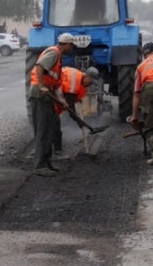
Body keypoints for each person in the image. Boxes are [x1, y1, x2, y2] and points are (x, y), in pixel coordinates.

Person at [27, 33, 75, 177]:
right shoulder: (53, 52)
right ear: (67, 44)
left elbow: (55, 83)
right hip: (40, 94)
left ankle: (47, 162)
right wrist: (41, 85)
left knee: (48, 129)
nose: (72, 49)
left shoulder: (58, 57)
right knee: (42, 131)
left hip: (48, 94)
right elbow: (40, 65)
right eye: (71, 46)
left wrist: (62, 100)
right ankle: (39, 165)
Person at [52, 66, 100, 159]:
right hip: (49, 98)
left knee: (52, 125)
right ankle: (55, 153)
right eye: (90, 82)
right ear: (86, 76)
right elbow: (70, 108)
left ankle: (49, 151)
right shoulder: (74, 83)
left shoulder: (76, 75)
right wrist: (80, 122)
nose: (90, 85)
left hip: (53, 96)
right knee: (55, 126)